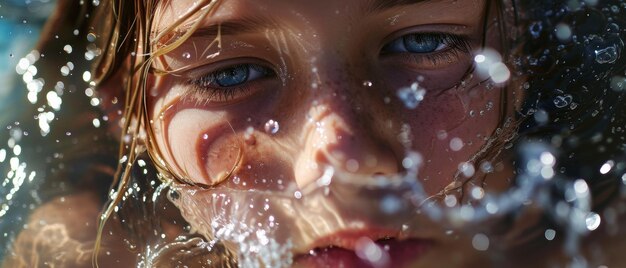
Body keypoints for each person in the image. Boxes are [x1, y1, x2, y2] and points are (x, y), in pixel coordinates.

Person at [2, 0, 625, 267]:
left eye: (424, 42)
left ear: (521, 48)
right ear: (126, 114)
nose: (341, 159)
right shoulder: (88, 251)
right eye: (232, 73)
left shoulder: (602, 233)